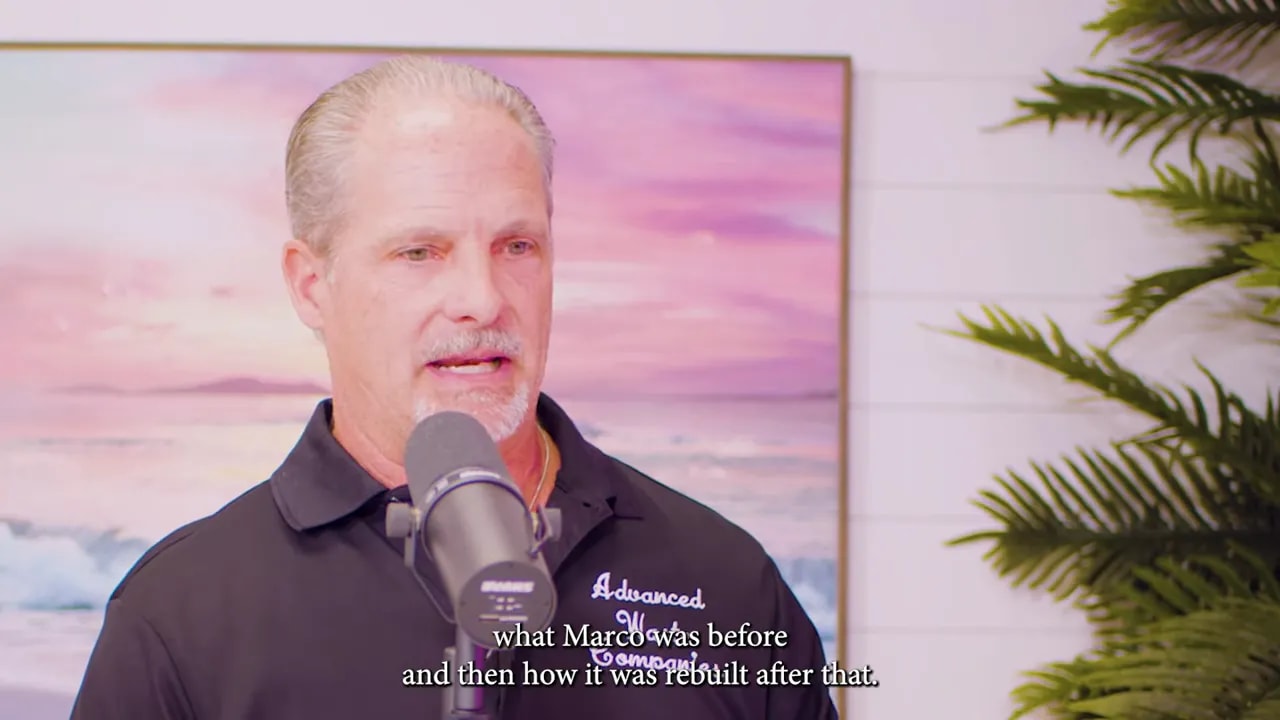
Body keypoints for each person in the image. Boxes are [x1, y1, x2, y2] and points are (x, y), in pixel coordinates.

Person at [69, 54, 838, 720]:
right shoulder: (181, 618)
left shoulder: (724, 581)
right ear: (311, 285)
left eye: (517, 245)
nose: (483, 297)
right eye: (420, 252)